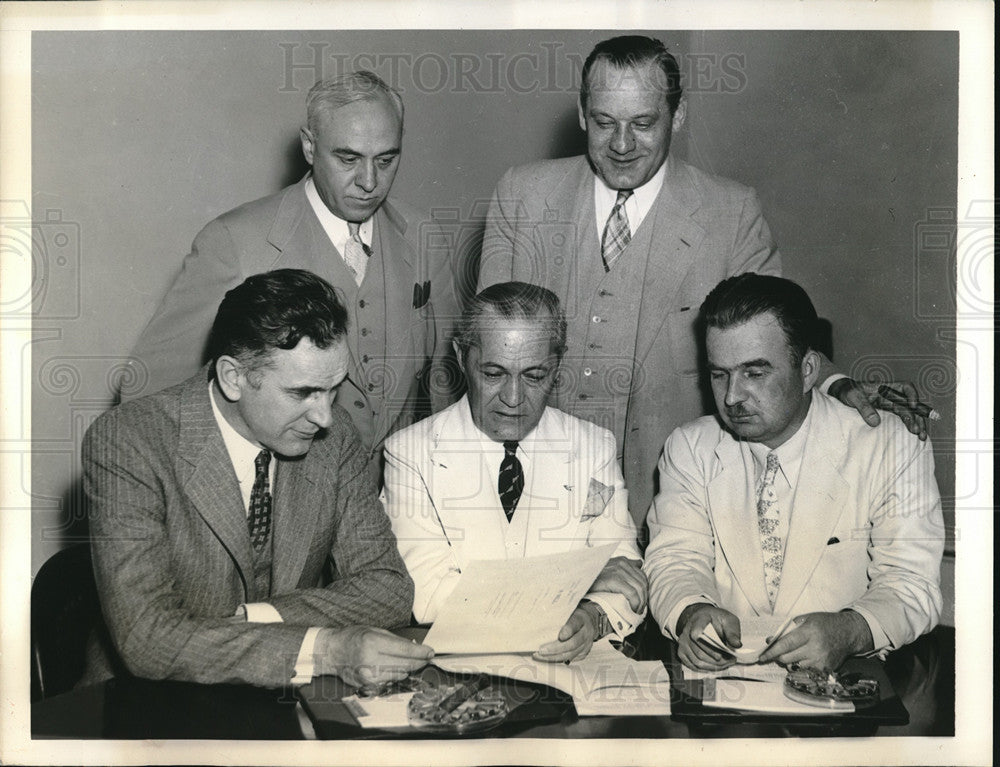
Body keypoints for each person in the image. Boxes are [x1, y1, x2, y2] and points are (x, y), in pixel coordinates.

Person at [478, 34, 927, 524]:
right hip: (531, 496)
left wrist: (836, 385)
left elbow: (776, 336)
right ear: (583, 114)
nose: (622, 145)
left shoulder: (731, 213)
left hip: (671, 504)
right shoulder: (521, 195)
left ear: (679, 115)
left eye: (644, 123)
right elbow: (487, 354)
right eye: (605, 123)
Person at [85, 269, 431, 688]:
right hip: (146, 707)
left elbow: (389, 587)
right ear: (234, 378)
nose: (325, 417)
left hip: (281, 697)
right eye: (302, 393)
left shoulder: (335, 437)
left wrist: (261, 618)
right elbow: (149, 639)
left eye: (333, 388)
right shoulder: (129, 441)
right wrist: (326, 648)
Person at [125, 70, 460, 481]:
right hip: (280, 510)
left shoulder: (425, 238)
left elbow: (449, 386)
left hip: (401, 499)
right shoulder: (235, 241)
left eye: (386, 160)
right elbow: (145, 392)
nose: (370, 182)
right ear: (309, 146)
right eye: (348, 159)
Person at [643, 273, 943, 673]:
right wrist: (690, 611)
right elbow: (675, 559)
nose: (731, 397)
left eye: (754, 373)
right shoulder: (689, 448)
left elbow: (912, 584)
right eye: (719, 374)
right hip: (724, 687)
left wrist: (849, 629)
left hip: (853, 683)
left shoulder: (890, 444)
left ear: (808, 371)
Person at [383, 282, 646, 663]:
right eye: (493, 373)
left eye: (534, 376)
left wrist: (592, 618)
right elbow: (429, 597)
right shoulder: (410, 454)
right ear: (461, 356)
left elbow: (626, 576)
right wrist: (579, 580)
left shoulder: (592, 449)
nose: (512, 398)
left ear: (557, 366)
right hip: (460, 673)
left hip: (567, 680)